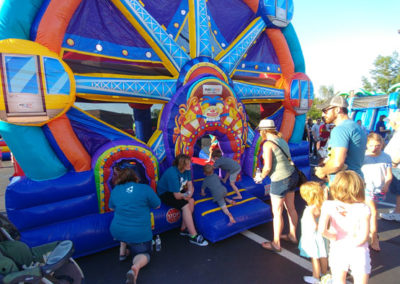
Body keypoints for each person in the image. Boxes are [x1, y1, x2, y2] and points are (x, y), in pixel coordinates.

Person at [109, 160, 161, 284]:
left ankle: (122, 253)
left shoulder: (116, 190)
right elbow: (157, 205)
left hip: (117, 231)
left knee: (124, 219)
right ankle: (135, 268)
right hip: (139, 234)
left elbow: (112, 208)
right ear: (136, 176)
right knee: (144, 255)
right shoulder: (144, 188)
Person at [253, 119, 299, 252]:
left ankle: (276, 244)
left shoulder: (267, 144)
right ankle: (292, 236)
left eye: (260, 130)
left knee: (277, 212)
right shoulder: (281, 140)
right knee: (291, 208)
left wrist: (260, 177)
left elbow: (267, 167)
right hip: (292, 176)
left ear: (264, 131)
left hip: (280, 180)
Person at [318, 170, 371, 284]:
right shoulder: (363, 208)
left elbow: (322, 229)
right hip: (358, 249)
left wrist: (333, 237)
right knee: (361, 279)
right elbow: (364, 236)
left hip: (338, 247)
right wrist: (353, 244)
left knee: (338, 279)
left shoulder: (328, 205)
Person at [157, 154, 208, 246]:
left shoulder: (187, 170)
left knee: (191, 201)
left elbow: (190, 185)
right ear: (182, 164)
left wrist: (189, 194)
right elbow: (177, 196)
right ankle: (194, 236)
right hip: (165, 192)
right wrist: (185, 195)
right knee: (185, 205)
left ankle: (184, 229)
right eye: (188, 163)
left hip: (177, 190)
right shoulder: (172, 174)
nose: (190, 165)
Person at [315, 96, 367, 182]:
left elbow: (337, 163)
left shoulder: (340, 129)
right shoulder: (356, 127)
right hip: (356, 180)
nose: (323, 115)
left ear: (338, 110)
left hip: (343, 184)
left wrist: (322, 171)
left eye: (325, 111)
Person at [361, 133, 392, 251]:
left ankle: (368, 230)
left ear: (382, 145)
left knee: (369, 211)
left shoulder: (386, 157)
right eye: (371, 145)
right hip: (367, 187)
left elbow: (389, 174)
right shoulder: (363, 156)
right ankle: (374, 238)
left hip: (380, 188)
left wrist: (387, 184)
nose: (374, 148)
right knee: (373, 212)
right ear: (367, 145)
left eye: (377, 145)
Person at [298, 182, 329, 284]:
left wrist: (315, 226)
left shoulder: (310, 210)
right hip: (321, 237)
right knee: (323, 255)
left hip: (311, 237)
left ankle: (315, 277)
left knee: (314, 257)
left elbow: (313, 226)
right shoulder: (322, 205)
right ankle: (325, 274)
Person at [380, 111, 400, 222]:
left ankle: (398, 212)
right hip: (394, 164)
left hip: (396, 165)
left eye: (390, 121)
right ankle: (398, 209)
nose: (389, 123)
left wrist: (395, 162)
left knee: (398, 190)